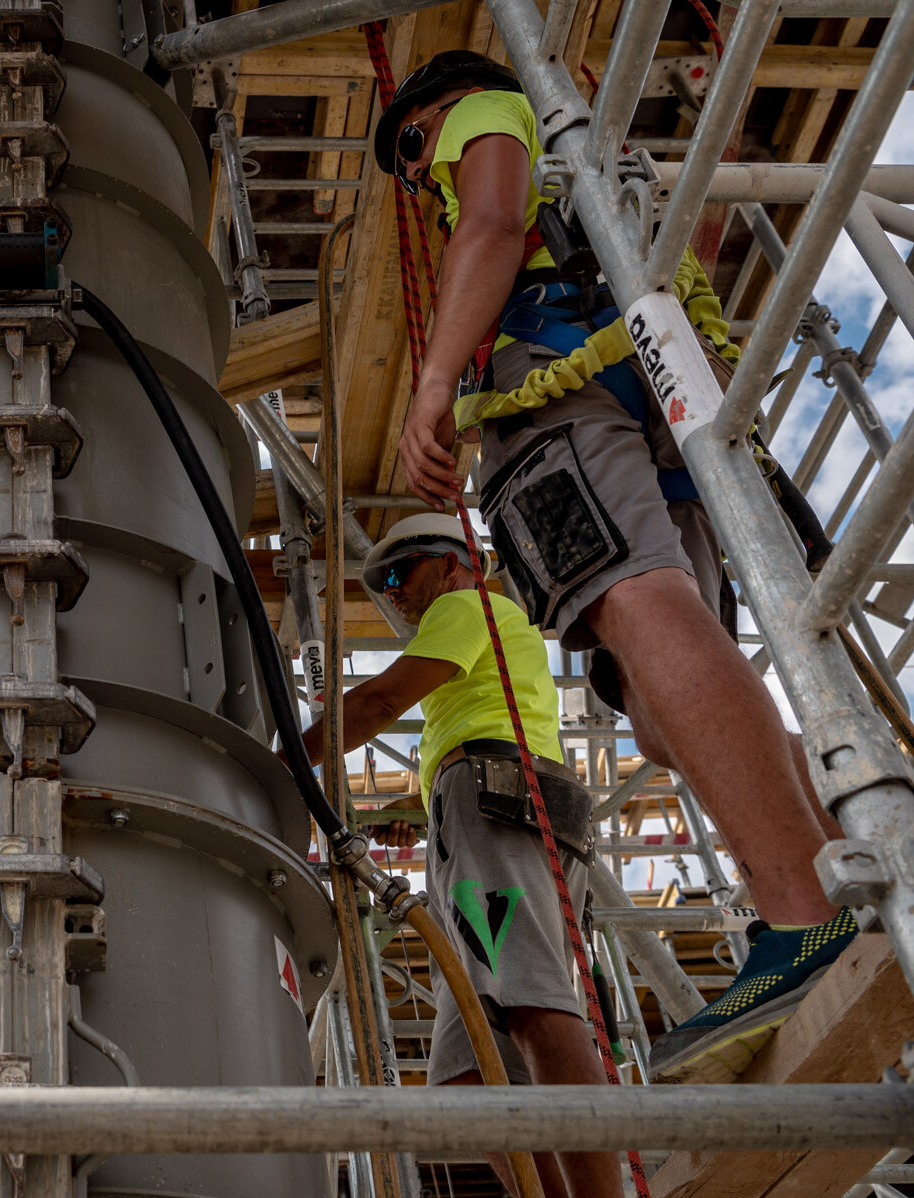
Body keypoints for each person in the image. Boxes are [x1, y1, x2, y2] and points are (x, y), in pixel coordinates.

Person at [372, 50, 855, 1083]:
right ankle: (847, 873)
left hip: (557, 373)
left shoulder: (487, 112)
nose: (417, 177)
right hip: (655, 380)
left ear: (443, 106)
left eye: (411, 147)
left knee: (631, 602)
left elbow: (490, 222)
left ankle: (803, 913)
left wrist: (434, 386)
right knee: (657, 698)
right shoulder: (594, 173)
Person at [291, 514, 618, 1198]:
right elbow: (477, 729)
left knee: (530, 995)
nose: (391, 591)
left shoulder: (468, 606)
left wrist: (280, 763)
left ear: (452, 564)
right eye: (381, 582)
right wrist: (420, 811)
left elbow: (380, 701)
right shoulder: (479, 646)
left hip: (497, 796)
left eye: (399, 572)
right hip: (486, 801)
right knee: (467, 1072)